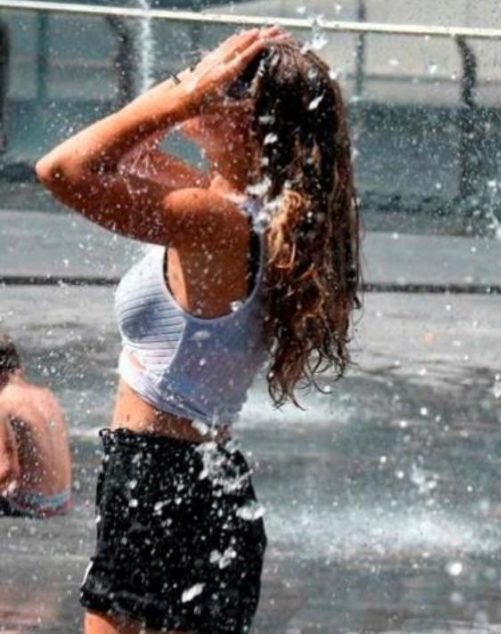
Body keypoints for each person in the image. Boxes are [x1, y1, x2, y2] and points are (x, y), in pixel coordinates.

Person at [35, 27, 361, 634]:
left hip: (157, 479)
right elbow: (119, 155)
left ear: (251, 122)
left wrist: (182, 99)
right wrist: (191, 95)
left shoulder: (215, 221)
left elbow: (61, 169)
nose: (203, 80)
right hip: (208, 481)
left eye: (224, 84)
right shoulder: (240, 211)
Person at [0, 332, 71, 518]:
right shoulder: (47, 395)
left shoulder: (3, 402)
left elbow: (8, 469)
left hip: (30, 504)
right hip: (62, 501)